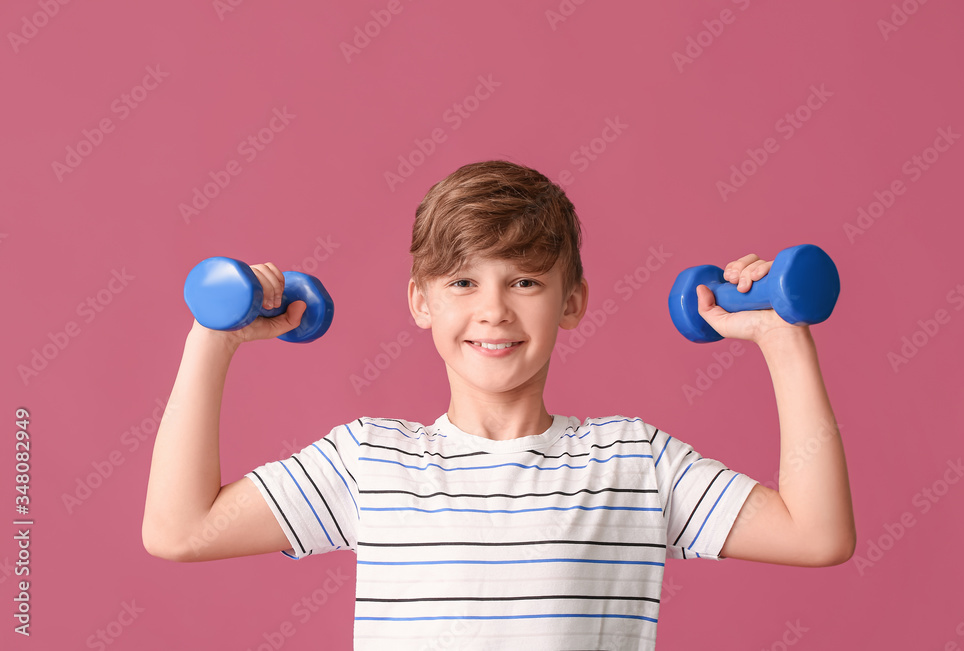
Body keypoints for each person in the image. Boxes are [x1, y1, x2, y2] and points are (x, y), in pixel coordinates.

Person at [142, 159, 855, 650]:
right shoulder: (369, 461)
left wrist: (781, 338)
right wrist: (214, 339)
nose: (493, 310)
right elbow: (180, 529)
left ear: (571, 301)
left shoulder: (633, 462)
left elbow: (817, 534)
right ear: (420, 301)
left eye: (525, 282)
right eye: (462, 283)